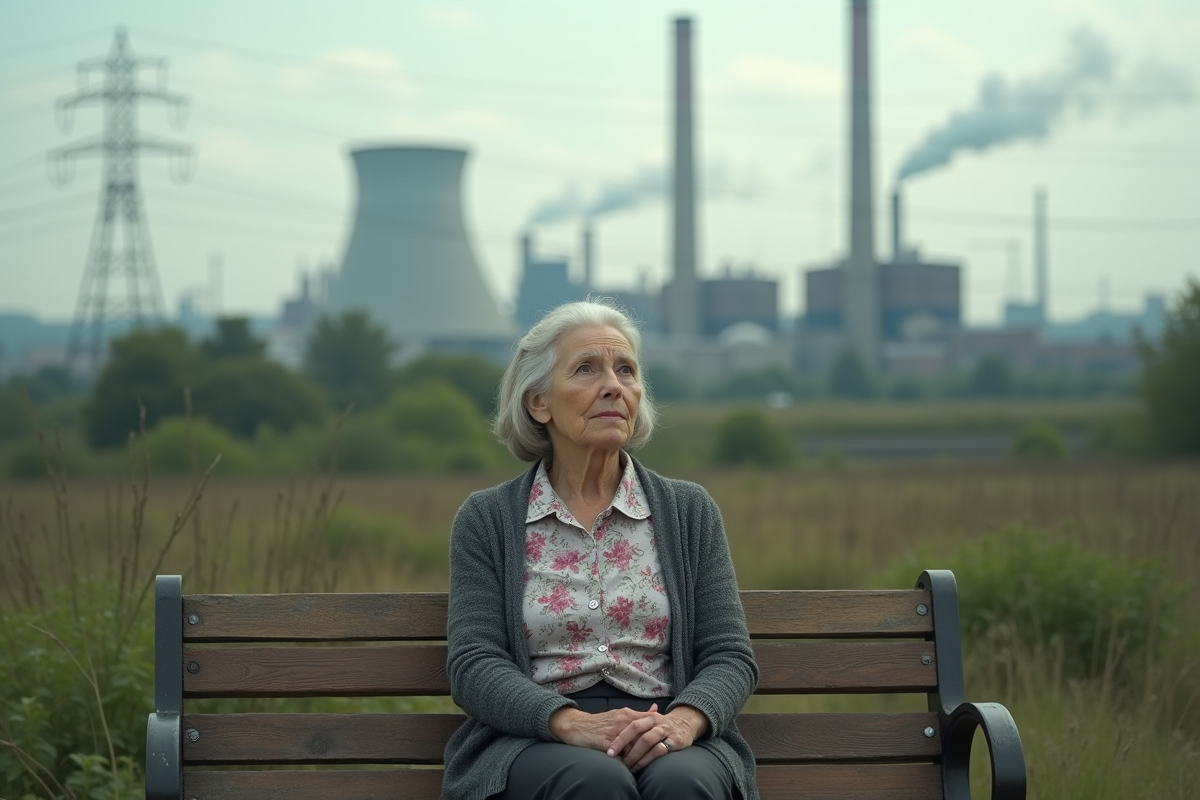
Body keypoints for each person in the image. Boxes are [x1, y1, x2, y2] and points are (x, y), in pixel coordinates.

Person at [444, 299, 759, 800]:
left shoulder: (688, 511)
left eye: (626, 370)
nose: (613, 384)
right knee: (595, 782)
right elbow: (475, 664)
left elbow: (728, 655)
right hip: (537, 736)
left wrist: (682, 723)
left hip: (665, 728)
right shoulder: (487, 520)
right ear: (538, 402)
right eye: (587, 369)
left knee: (683, 784)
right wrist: (568, 724)